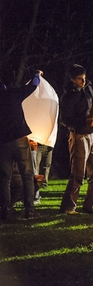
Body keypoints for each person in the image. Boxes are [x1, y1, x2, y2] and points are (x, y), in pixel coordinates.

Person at [59, 64, 93, 215]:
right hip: (78, 135)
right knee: (78, 173)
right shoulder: (68, 97)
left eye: (84, 78)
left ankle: (91, 204)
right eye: (79, 79)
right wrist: (83, 123)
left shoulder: (89, 88)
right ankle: (69, 207)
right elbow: (65, 119)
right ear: (72, 79)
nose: (83, 82)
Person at [0, 71, 42, 220]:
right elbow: (33, 86)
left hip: (3, 143)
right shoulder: (13, 94)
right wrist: (37, 75)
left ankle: (5, 211)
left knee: (5, 178)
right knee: (27, 175)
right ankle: (29, 210)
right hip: (20, 140)